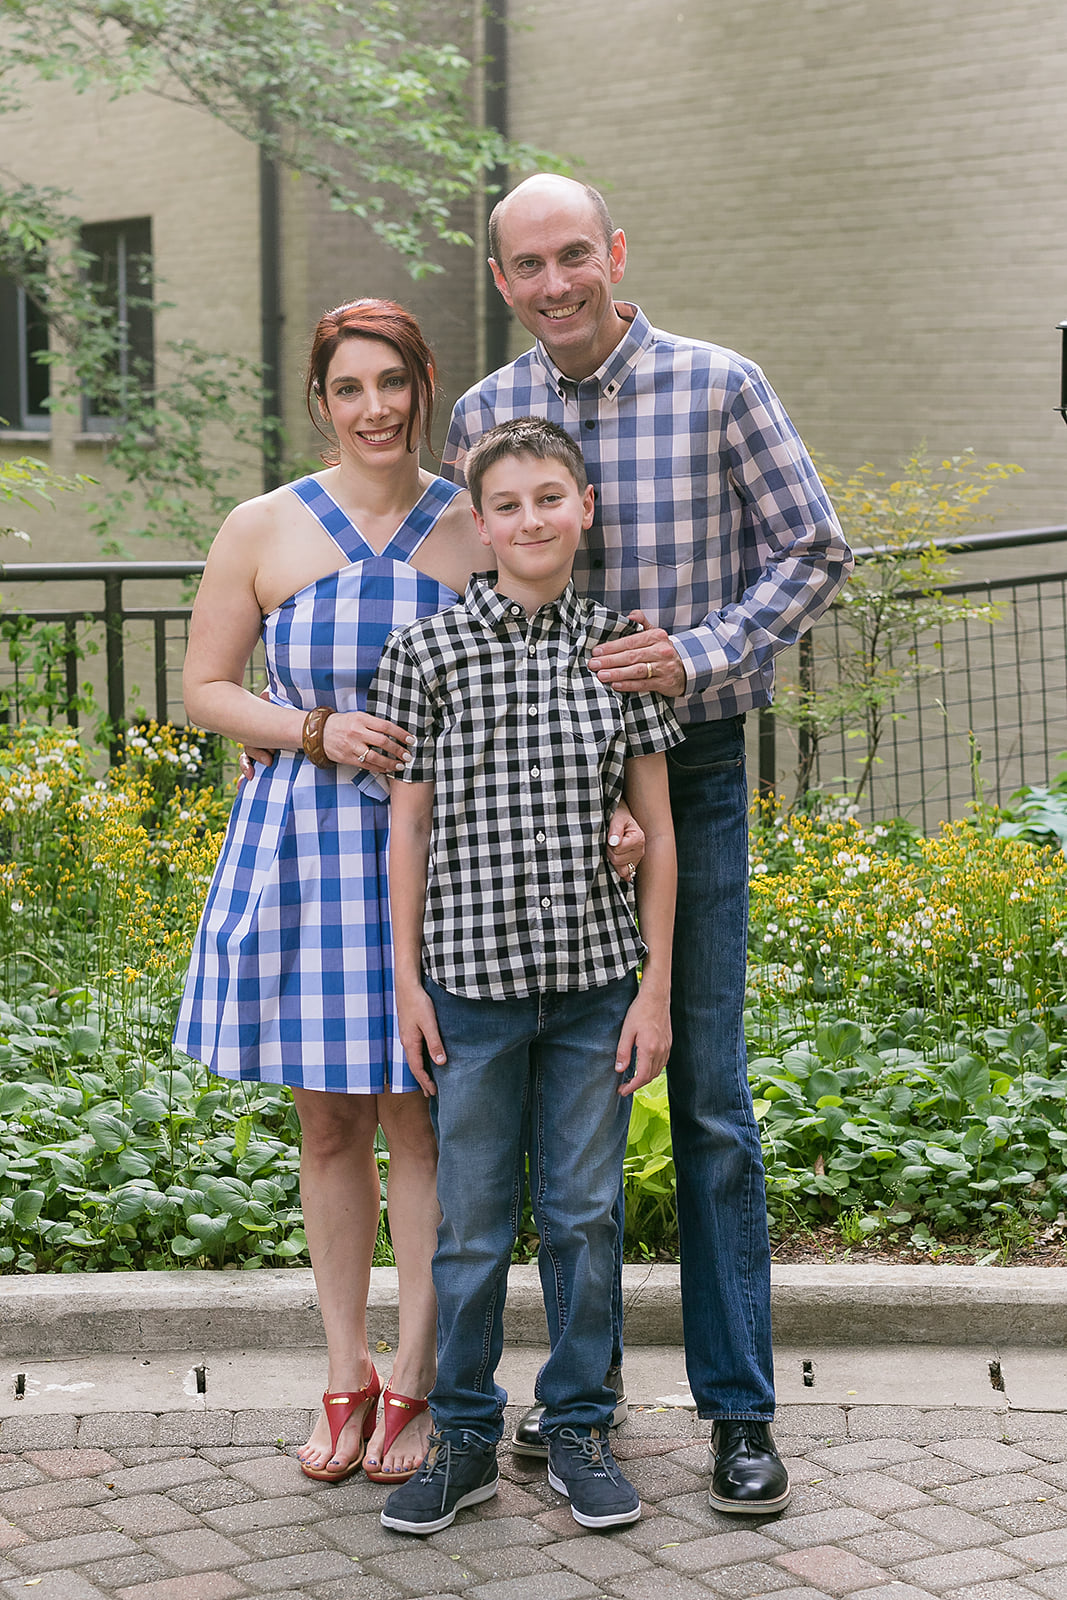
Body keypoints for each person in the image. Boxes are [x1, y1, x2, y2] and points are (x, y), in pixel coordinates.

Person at [174, 298, 644, 1487]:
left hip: (449, 861)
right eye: (349, 387)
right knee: (328, 1120)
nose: (373, 407)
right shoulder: (263, 526)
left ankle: (418, 1377)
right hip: (306, 846)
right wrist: (309, 728)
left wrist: (607, 804)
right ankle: (344, 1370)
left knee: (419, 1117)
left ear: (424, 388)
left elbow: (542, 666)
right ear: (320, 401)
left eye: (392, 382)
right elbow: (205, 688)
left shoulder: (472, 520)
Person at [443, 175, 855, 1515]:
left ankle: (738, 1412)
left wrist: (697, 652)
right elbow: (473, 601)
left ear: (613, 253)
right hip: (542, 801)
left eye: (574, 254)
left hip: (697, 769)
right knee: (571, 1101)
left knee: (708, 1095)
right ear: (500, 280)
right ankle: (585, 1397)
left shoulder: (718, 385)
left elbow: (813, 549)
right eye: (527, 265)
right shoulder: (484, 415)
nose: (555, 283)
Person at [368, 417, 680, 1535]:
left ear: (583, 509)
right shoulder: (428, 654)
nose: (531, 518)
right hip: (469, 989)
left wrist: (653, 989)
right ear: (480, 523)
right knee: (470, 1223)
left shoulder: (619, 649)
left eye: (551, 497)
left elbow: (655, 828)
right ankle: (462, 1435)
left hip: (594, 987)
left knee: (585, 1215)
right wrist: (407, 984)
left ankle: (578, 1424)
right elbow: (407, 831)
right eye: (507, 504)